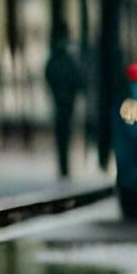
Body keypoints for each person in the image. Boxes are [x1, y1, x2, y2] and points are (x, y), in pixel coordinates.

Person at [45, 31, 85, 178]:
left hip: (61, 101)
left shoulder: (56, 59)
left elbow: (49, 74)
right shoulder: (68, 59)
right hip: (67, 101)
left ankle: (63, 166)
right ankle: (64, 166)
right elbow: (78, 79)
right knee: (65, 133)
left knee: (62, 134)